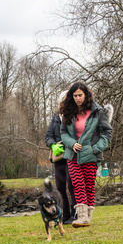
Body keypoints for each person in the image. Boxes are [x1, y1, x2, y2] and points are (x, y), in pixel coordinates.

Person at [60, 82, 113, 227]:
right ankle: (82, 217)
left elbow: (107, 133)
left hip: (91, 155)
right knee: (77, 184)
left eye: (80, 95)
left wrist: (96, 149)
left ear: (86, 95)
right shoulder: (68, 112)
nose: (77, 98)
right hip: (73, 155)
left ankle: (87, 218)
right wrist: (71, 143)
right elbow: (63, 133)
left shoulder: (97, 111)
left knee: (89, 185)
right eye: (75, 95)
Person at [45, 91, 77, 224]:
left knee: (72, 184)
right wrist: (52, 145)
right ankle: (65, 215)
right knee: (59, 186)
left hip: (72, 154)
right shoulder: (56, 117)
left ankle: (76, 214)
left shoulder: (76, 116)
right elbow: (48, 136)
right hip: (58, 157)